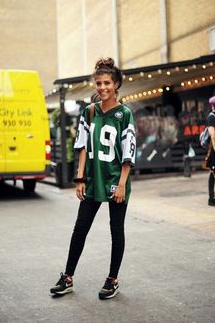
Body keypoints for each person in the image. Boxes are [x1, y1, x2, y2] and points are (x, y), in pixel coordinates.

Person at [50, 57, 136, 299]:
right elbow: (82, 146)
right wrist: (80, 178)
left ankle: (112, 279)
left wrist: (121, 184)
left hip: (116, 180)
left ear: (116, 83)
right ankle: (67, 277)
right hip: (93, 179)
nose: (102, 87)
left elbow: (128, 152)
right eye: (98, 83)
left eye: (107, 82)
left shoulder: (125, 114)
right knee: (80, 229)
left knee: (116, 230)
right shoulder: (89, 112)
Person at [205, 96, 215, 206]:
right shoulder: (211, 117)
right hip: (214, 149)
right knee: (213, 173)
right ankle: (211, 198)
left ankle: (212, 198)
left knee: (213, 173)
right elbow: (212, 135)